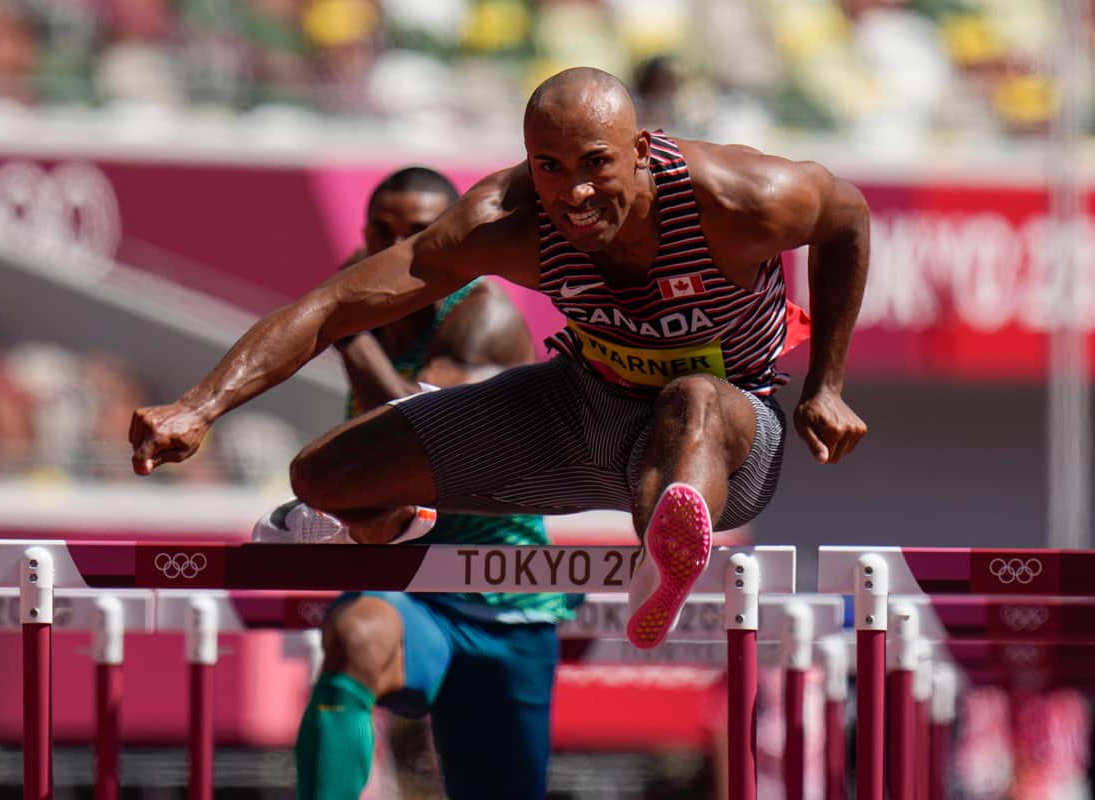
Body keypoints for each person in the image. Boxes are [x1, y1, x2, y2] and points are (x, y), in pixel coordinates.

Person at [130, 66, 869, 652]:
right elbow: (332, 305)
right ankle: (407, 511)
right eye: (549, 167)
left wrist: (826, 383)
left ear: (642, 150)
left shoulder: (740, 200)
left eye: (596, 165)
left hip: (723, 443)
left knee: (692, 396)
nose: (575, 194)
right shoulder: (505, 222)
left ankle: (666, 557)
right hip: (581, 409)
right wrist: (199, 405)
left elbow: (848, 218)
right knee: (323, 476)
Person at [252, 166, 575, 799]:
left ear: (451, 237)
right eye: (384, 231)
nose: (398, 248)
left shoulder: (487, 319)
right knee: (353, 637)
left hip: (500, 599)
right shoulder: (370, 319)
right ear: (364, 234)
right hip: (411, 590)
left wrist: (342, 327)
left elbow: (424, 436)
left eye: (419, 233)